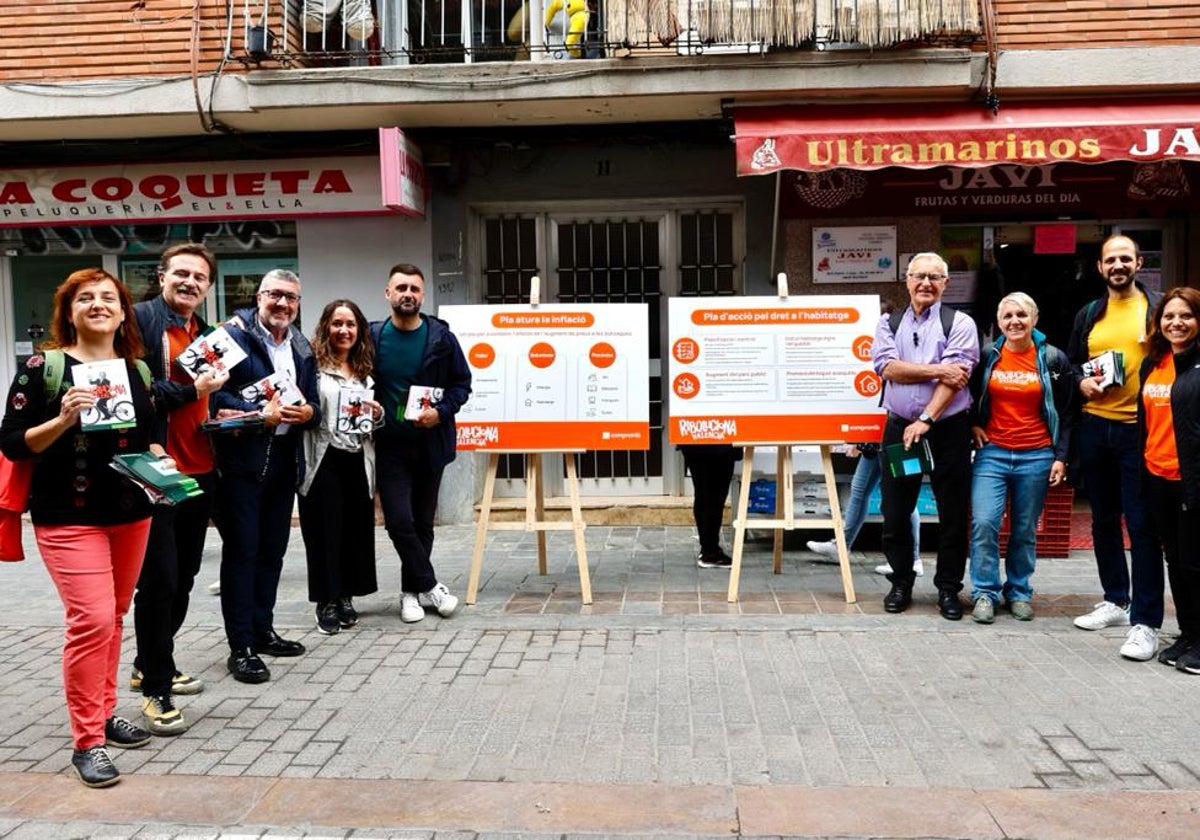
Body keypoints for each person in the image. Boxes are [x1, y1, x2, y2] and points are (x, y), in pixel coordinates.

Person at [0, 269, 166, 788]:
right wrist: (63, 420)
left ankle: (104, 711)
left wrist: (168, 474)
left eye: (108, 298)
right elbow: (11, 442)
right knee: (91, 619)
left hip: (130, 512)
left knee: (115, 616)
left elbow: (150, 437)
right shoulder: (41, 368)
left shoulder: (136, 370)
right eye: (85, 298)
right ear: (69, 312)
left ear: (122, 313)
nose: (98, 305)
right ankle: (87, 741)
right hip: (67, 516)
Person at [130, 242, 224, 736]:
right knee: (161, 580)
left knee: (184, 575)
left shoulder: (203, 332)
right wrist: (195, 391)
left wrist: (222, 406)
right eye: (181, 273)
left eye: (199, 277)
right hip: (154, 470)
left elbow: (210, 393)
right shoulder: (141, 322)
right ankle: (156, 690)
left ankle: (150, 662)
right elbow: (135, 393)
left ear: (208, 288)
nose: (190, 283)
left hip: (198, 469)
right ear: (162, 275)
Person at [211, 269, 320, 683]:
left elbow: (312, 403)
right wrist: (256, 413)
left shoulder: (301, 344)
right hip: (242, 461)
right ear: (259, 296)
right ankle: (240, 647)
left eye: (291, 298)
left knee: (272, 551)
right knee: (243, 553)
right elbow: (208, 391)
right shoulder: (231, 334)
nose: (283, 305)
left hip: (284, 460)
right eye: (275, 295)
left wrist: (309, 412)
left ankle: (262, 629)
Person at [1067, 234, 1165, 660]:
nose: (1118, 265)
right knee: (1104, 520)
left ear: (1139, 262)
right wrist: (1080, 381)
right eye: (1111, 259)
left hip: (1139, 433)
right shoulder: (1090, 313)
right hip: (1096, 428)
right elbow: (1071, 364)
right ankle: (1115, 599)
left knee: (1142, 526)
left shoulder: (1158, 310)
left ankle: (1146, 623)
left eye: (1126, 258)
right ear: (1100, 267)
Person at [871, 252, 979, 619]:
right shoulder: (889, 322)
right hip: (901, 429)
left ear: (946, 283)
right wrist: (937, 369)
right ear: (907, 280)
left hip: (946, 431)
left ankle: (948, 589)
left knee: (952, 512)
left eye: (935, 277)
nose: (926, 284)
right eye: (919, 276)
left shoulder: (961, 323)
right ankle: (901, 581)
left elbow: (958, 378)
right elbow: (887, 367)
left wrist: (928, 419)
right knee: (896, 510)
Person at [369, 264, 471, 623]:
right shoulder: (373, 336)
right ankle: (431, 585)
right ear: (388, 293)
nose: (408, 294)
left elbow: (462, 384)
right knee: (399, 521)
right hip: (389, 445)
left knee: (424, 522)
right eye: (401, 288)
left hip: (430, 443)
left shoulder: (441, 338)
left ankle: (410, 593)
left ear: (423, 295)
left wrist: (441, 412)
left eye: (414, 288)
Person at [967, 292, 1075, 624]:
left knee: (1025, 529)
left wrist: (1061, 456)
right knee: (984, 522)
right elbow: (967, 397)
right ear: (999, 323)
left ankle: (1018, 591)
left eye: (1022, 315)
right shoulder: (988, 356)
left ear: (1035, 319)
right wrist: (973, 426)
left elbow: (1069, 412)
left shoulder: (1053, 359)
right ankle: (985, 591)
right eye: (1008, 316)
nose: (1015, 321)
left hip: (1037, 455)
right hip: (993, 454)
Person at [299, 300, 383, 634]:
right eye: (337, 324)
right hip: (323, 458)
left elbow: (374, 420)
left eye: (350, 324)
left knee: (355, 531)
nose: (344, 330)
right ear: (326, 327)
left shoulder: (365, 369)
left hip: (358, 458)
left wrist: (377, 416)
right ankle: (326, 601)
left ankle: (346, 595)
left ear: (359, 330)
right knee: (324, 533)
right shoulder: (311, 367)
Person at [1137, 287, 1200, 673]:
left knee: (1196, 562)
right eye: (1170, 316)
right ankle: (1189, 634)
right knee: (1175, 560)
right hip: (1156, 474)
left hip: (1190, 478)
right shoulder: (1154, 363)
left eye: (1187, 316)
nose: (1177, 323)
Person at [805, 444, 923, 576]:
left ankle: (911, 560)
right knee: (860, 490)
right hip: (875, 442)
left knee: (900, 495)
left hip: (895, 439)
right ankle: (841, 546)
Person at [680, 444, 739, 568]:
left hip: (693, 441)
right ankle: (710, 552)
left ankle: (707, 547)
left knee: (703, 494)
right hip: (717, 445)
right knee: (714, 497)